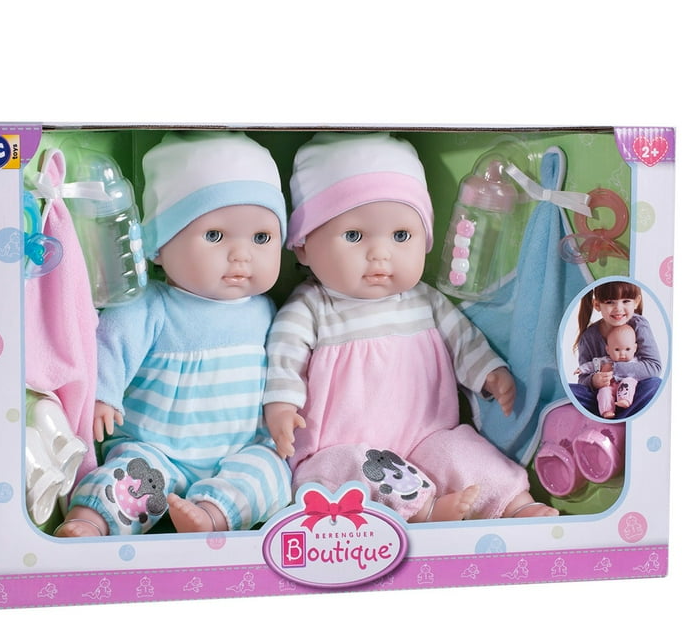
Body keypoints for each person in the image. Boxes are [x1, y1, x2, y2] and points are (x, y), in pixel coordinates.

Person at [264, 132, 557, 522]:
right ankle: (424, 511)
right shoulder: (313, 307)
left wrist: (488, 371)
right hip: (342, 445)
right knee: (340, 471)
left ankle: (515, 504)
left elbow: (462, 339)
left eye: (401, 236)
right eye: (354, 236)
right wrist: (282, 407)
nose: (380, 253)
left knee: (462, 451)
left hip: (427, 437)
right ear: (303, 245)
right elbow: (284, 360)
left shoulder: (423, 299)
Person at [55, 131, 291, 537]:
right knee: (130, 475)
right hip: (156, 449)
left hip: (238, 451)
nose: (242, 254)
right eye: (215, 236)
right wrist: (103, 395)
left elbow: (288, 366)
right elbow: (111, 344)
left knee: (270, 471)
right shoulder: (149, 304)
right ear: (159, 247)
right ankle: (91, 522)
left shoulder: (266, 311)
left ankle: (211, 515)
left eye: (261, 238)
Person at [569, 281, 661, 419]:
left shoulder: (639, 325)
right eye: (610, 302)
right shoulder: (589, 337)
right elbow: (583, 379)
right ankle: (608, 413)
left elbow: (654, 367)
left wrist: (613, 368)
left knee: (655, 385)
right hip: (602, 396)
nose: (618, 308)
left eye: (626, 301)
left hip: (632, 392)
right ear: (597, 305)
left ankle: (619, 417)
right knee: (571, 391)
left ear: (636, 302)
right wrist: (593, 381)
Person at [576, 323, 641, 418]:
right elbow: (592, 365)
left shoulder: (635, 362)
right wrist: (581, 369)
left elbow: (642, 372)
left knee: (629, 381)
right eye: (617, 349)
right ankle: (607, 410)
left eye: (627, 349)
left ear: (635, 348)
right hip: (609, 385)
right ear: (608, 349)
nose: (622, 354)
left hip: (624, 385)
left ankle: (624, 399)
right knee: (603, 391)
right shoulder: (605, 360)